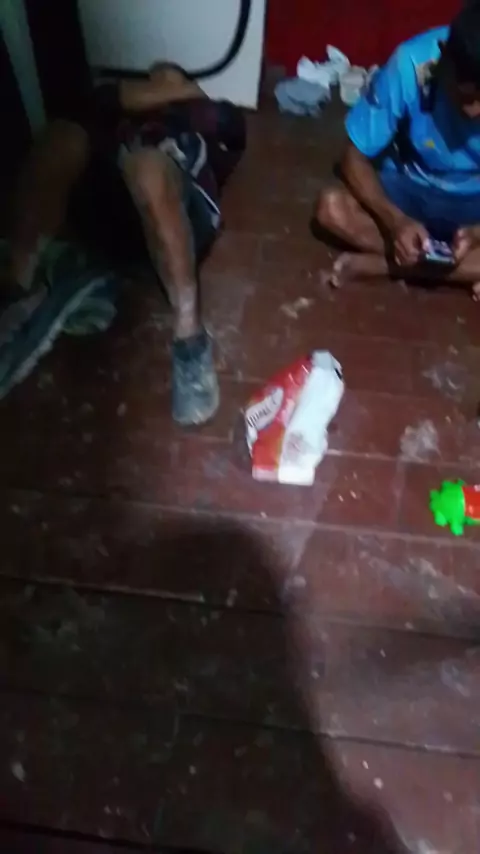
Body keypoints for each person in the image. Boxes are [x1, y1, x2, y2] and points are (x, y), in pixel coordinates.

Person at [6, 63, 246, 425]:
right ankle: (16, 290)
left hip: (180, 215)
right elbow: (96, 99)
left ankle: (191, 340)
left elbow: (230, 124)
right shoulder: (117, 120)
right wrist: (148, 94)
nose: (156, 78)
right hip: (118, 213)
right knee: (61, 138)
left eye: (167, 76)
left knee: (147, 167)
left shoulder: (201, 115)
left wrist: (183, 91)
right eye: (151, 77)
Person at [316, 2, 480, 298]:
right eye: (465, 96)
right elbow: (353, 156)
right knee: (333, 208)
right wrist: (395, 222)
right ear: (444, 58)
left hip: (474, 203)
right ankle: (457, 270)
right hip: (412, 188)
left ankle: (385, 266)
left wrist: (477, 234)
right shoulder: (411, 63)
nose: (473, 112)